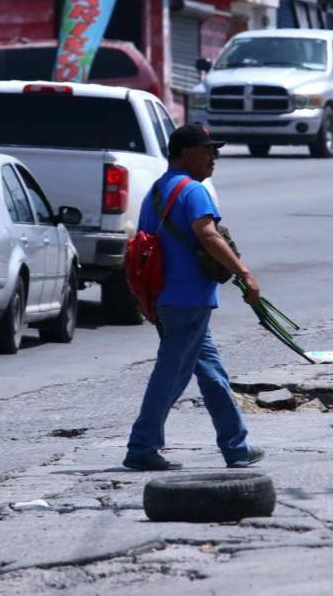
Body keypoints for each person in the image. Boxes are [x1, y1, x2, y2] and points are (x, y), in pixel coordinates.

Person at [123, 124, 264, 472]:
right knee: (170, 376)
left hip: (166, 298)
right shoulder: (193, 191)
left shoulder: (157, 190)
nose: (214, 157)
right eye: (208, 150)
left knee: (212, 373)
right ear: (187, 153)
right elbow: (209, 236)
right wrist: (244, 273)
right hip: (187, 300)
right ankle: (142, 446)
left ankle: (236, 447)